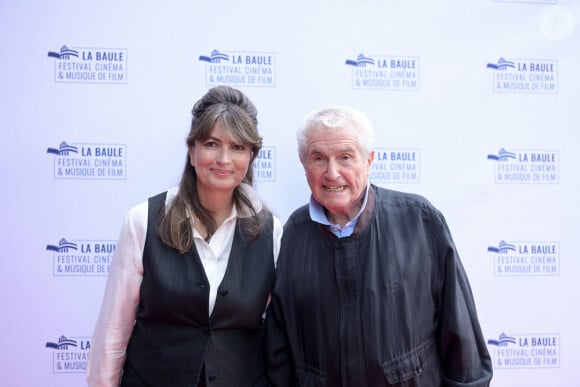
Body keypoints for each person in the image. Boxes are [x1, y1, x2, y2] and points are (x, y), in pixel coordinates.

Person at [266, 105, 493, 386]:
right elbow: (279, 349)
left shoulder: (420, 221)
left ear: (369, 161)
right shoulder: (292, 235)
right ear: (303, 164)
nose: (332, 173)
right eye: (318, 159)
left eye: (345, 157)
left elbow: (462, 338)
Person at [87, 85, 283, 387]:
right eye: (211, 143)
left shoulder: (271, 232)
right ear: (192, 151)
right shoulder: (143, 220)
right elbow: (114, 329)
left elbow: (276, 333)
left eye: (238, 147)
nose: (224, 159)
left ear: (251, 157)